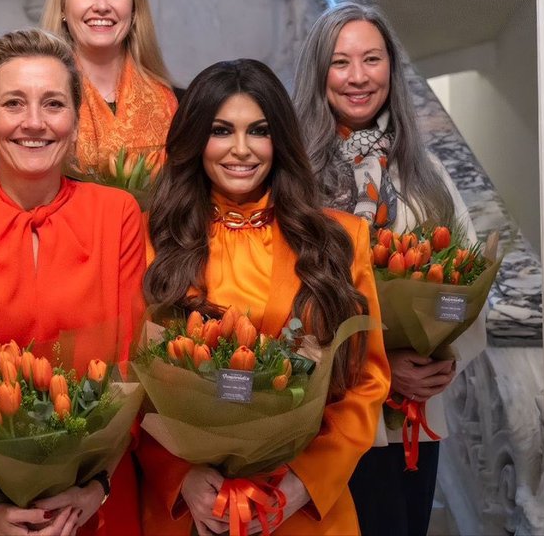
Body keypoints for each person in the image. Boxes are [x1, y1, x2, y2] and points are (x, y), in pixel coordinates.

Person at [0, 29, 146, 536]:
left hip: (91, 506)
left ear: (76, 123)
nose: (34, 122)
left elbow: (134, 367)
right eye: (13, 103)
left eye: (53, 103)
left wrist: (94, 487)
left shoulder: (118, 214)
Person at [138, 59, 390, 536]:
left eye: (258, 131)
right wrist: (180, 478)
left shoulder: (341, 239)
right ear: (194, 140)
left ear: (280, 140)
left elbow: (368, 380)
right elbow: (131, 387)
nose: (240, 149)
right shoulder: (152, 240)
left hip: (300, 514)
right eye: (220, 130)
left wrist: (303, 483)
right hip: (190, 514)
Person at [293, 2, 485, 536]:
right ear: (318, 74)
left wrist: (443, 360)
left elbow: (466, 285)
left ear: (392, 70)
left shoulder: (426, 173)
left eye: (372, 59)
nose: (358, 77)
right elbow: (283, 302)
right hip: (327, 423)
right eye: (340, 62)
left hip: (413, 426)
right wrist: (373, 367)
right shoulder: (294, 178)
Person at [40, 0, 178, 175]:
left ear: (134, 9)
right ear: (63, 8)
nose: (102, 6)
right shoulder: (38, 93)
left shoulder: (166, 101)